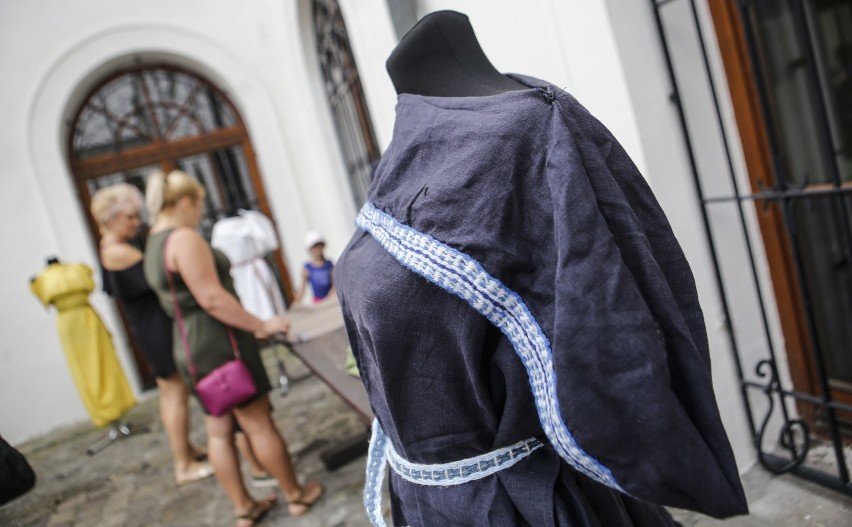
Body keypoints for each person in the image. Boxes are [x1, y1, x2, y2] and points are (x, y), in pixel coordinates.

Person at [335, 10, 747, 527]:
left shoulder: (524, 134)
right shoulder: (399, 156)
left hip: (517, 504)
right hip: (425, 503)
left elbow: (600, 309)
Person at [142, 171, 323, 526]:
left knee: (218, 430)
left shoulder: (153, 242)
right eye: (198, 206)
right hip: (220, 342)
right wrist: (262, 324)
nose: (199, 215)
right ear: (183, 202)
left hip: (189, 345)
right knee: (257, 423)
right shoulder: (183, 239)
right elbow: (211, 298)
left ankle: (244, 508)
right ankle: (295, 495)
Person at [91, 184, 213, 485]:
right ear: (111, 218)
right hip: (154, 329)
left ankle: (186, 449)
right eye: (130, 217)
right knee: (174, 394)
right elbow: (157, 275)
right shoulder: (117, 251)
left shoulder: (115, 247)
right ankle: (182, 465)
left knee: (175, 393)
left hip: (151, 325)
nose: (136, 222)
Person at [293, 231, 335, 305]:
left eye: (319, 246)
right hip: (317, 302)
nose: (318, 249)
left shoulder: (329, 265)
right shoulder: (307, 268)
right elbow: (302, 290)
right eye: (315, 247)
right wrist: (296, 303)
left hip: (331, 300)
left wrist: (329, 297)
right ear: (309, 249)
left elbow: (334, 285)